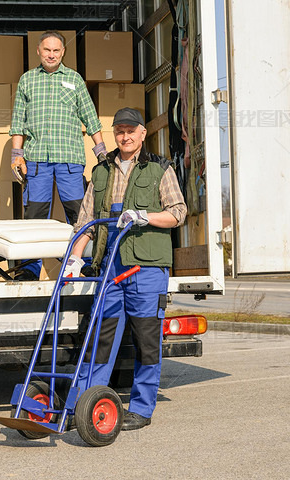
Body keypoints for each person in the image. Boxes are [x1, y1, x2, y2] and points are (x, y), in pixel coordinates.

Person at [66, 107, 187, 431]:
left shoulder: (160, 168)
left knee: (146, 341)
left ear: (142, 133)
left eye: (131, 130)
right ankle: (83, 406)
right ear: (114, 134)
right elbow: (86, 223)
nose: (125, 136)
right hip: (111, 269)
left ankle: (141, 409)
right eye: (119, 130)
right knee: (100, 340)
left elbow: (178, 213)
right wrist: (75, 261)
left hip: (146, 269)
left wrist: (144, 216)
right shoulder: (101, 171)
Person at [9, 30, 106, 281]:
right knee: (34, 217)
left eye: (56, 50)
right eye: (46, 50)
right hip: (37, 160)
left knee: (79, 214)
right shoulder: (27, 80)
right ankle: (29, 270)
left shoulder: (74, 79)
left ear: (63, 52)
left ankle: (84, 263)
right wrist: (16, 155)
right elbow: (18, 121)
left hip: (70, 160)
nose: (51, 54)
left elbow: (91, 118)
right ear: (38, 51)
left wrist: (101, 152)